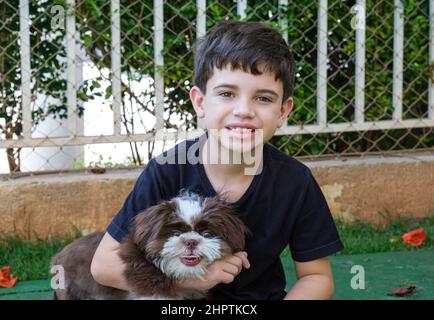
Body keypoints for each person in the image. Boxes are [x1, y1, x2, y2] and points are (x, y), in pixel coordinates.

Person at [90, 20, 343, 300]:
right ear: (200, 102)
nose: (244, 110)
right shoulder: (167, 170)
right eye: (226, 94)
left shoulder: (295, 181)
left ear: (283, 111)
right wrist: (190, 283)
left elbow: (317, 277)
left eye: (263, 98)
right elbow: (103, 266)